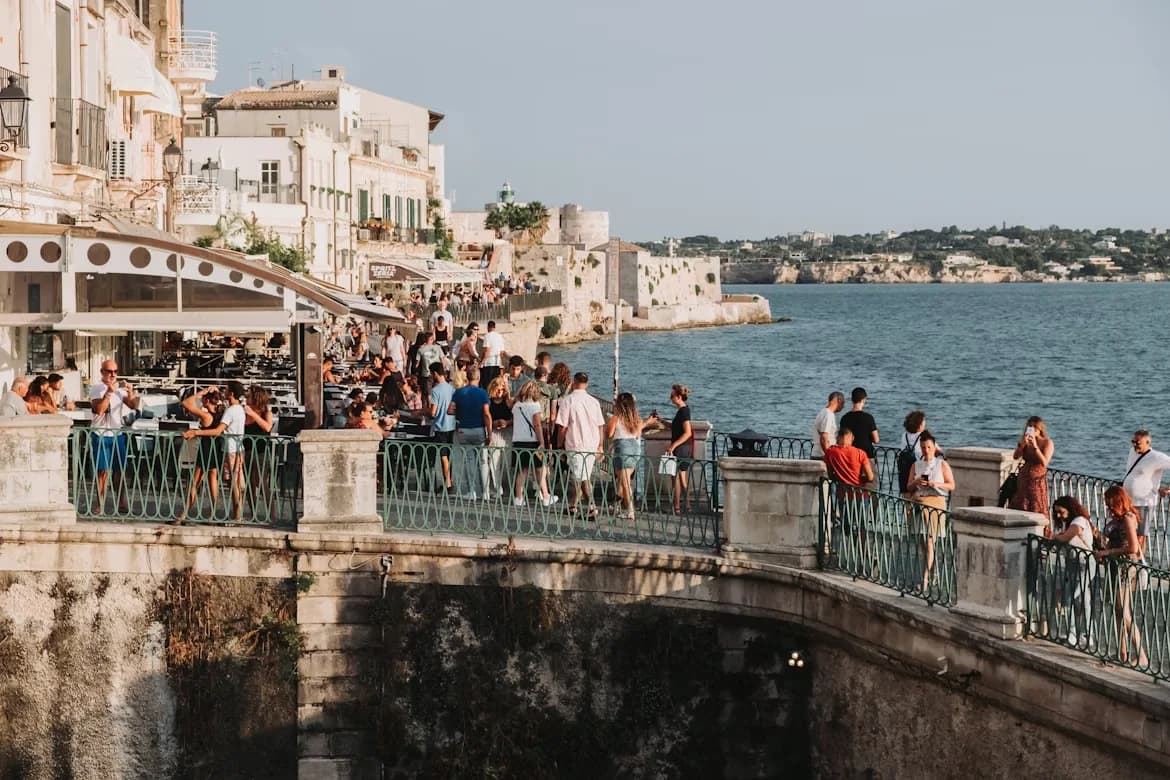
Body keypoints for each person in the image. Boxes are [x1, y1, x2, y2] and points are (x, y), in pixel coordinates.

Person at [181, 381, 247, 522]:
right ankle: (214, 511)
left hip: (207, 449)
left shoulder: (207, 416)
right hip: (219, 449)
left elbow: (186, 403)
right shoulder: (223, 411)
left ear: (206, 400)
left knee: (195, 482)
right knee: (214, 479)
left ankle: (184, 513)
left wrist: (202, 392)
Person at [1095, 485, 1146, 666]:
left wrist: (1108, 553)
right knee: (1118, 612)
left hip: (1125, 568)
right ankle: (1122, 653)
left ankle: (1141, 655)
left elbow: (1133, 548)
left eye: (1110, 503)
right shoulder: (1117, 518)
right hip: (1116, 566)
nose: (1108, 507)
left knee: (1124, 613)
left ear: (1118, 501)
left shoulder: (1127, 519)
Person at [88, 361, 139, 512]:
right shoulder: (97, 388)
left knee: (120, 469)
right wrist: (109, 392)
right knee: (103, 471)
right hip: (100, 432)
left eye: (115, 371)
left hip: (117, 432)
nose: (113, 374)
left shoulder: (119, 389)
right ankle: (100, 503)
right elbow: (99, 410)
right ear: (102, 372)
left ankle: (122, 503)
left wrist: (130, 392)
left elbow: (133, 405)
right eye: (109, 371)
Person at [909, 431, 954, 593]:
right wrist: (915, 481)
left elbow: (951, 485)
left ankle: (925, 579)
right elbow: (908, 486)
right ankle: (934, 573)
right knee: (923, 543)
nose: (926, 450)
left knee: (929, 542)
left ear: (934, 447)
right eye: (923, 447)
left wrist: (936, 484)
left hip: (935, 503)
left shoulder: (942, 465)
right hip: (920, 502)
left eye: (929, 447)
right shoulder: (916, 465)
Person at [555, 372, 605, 517]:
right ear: (587, 384)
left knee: (580, 477)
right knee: (582, 475)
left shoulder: (568, 401)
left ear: (573, 382)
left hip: (576, 443)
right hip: (592, 442)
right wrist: (600, 445)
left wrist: (559, 445)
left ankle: (591, 508)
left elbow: (562, 426)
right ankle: (572, 506)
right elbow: (600, 425)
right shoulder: (593, 402)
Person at [1050, 496, 1095, 647]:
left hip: (1084, 564)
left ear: (1070, 509)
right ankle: (1087, 635)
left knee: (1069, 598)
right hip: (1073, 564)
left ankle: (1073, 635)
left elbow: (1067, 537)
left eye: (1061, 512)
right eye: (1056, 513)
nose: (1058, 516)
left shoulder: (1079, 521)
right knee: (1082, 601)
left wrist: (1055, 537)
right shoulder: (1067, 524)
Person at [606, 393, 657, 522]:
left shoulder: (616, 418)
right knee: (623, 479)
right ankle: (616, 505)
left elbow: (609, 434)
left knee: (625, 482)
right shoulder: (636, 419)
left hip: (622, 448)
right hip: (635, 449)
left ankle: (630, 511)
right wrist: (648, 421)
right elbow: (639, 432)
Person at [1122, 430, 1170, 558]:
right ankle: (1129, 560)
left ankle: (1138, 562)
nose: (1135, 445)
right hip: (1128, 502)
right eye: (1133, 442)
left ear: (1148, 442)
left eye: (1138, 443)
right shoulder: (1132, 452)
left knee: (1140, 535)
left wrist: (1168, 488)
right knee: (1127, 534)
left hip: (1144, 503)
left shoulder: (1156, 457)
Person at [511, 381, 557, 507]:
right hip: (532, 441)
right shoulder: (535, 406)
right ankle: (546, 496)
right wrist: (542, 442)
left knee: (523, 470)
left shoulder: (516, 406)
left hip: (518, 440)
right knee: (539, 469)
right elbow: (537, 425)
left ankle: (518, 497)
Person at [449, 366, 492, 500]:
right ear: (478, 378)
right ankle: (486, 492)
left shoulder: (459, 392)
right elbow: (486, 414)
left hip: (463, 429)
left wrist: (462, 412)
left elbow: (450, 410)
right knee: (483, 460)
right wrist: (489, 433)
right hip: (479, 429)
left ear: (467, 377)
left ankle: (472, 491)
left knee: (469, 460)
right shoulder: (483, 393)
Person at [1008, 416, 1053, 517]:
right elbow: (1016, 456)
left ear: (1040, 429)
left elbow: (1044, 462)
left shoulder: (1047, 442)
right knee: (1021, 502)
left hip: (1037, 478)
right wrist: (1022, 445)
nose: (1032, 430)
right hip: (1024, 477)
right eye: (1029, 427)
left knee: (1036, 503)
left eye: (1034, 428)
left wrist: (1035, 447)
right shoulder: (1025, 440)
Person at [665, 384, 695, 515]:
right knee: (682, 478)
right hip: (685, 448)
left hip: (681, 448)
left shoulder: (683, 412)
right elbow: (676, 427)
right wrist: (661, 421)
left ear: (678, 397)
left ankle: (676, 507)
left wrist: (673, 445)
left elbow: (687, 432)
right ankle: (687, 505)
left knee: (675, 477)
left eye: (672, 396)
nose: (670, 398)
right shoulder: (683, 411)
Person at [839, 387, 878, 482]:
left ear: (852, 400)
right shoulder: (868, 418)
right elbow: (876, 440)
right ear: (864, 400)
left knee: (851, 483)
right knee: (870, 485)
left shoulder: (844, 418)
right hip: (866, 455)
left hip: (849, 456)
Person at [429, 363, 457, 491]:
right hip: (451, 425)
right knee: (448, 455)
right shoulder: (452, 389)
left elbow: (433, 412)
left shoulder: (435, 390)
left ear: (435, 373)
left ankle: (448, 483)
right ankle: (449, 480)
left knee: (443, 456)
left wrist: (423, 412)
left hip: (440, 426)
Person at [485, 376, 513, 499]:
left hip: (507, 432)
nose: (499, 393)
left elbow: (515, 417)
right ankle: (497, 488)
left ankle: (508, 486)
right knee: (494, 462)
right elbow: (486, 417)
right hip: (494, 433)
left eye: (502, 390)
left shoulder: (508, 402)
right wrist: (493, 425)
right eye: (497, 390)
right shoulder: (488, 402)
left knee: (507, 462)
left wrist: (507, 423)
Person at [812, 391, 844, 459]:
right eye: (843, 403)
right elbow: (824, 437)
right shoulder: (828, 414)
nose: (843, 406)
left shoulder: (824, 412)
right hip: (822, 456)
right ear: (839, 401)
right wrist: (828, 455)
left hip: (819, 454)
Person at [480, 320, 507, 388]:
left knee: (487, 384)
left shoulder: (487, 336)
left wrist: (481, 362)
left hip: (488, 363)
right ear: (494, 327)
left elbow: (486, 350)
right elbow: (502, 352)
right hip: (497, 363)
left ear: (488, 327)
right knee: (495, 384)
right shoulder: (500, 336)